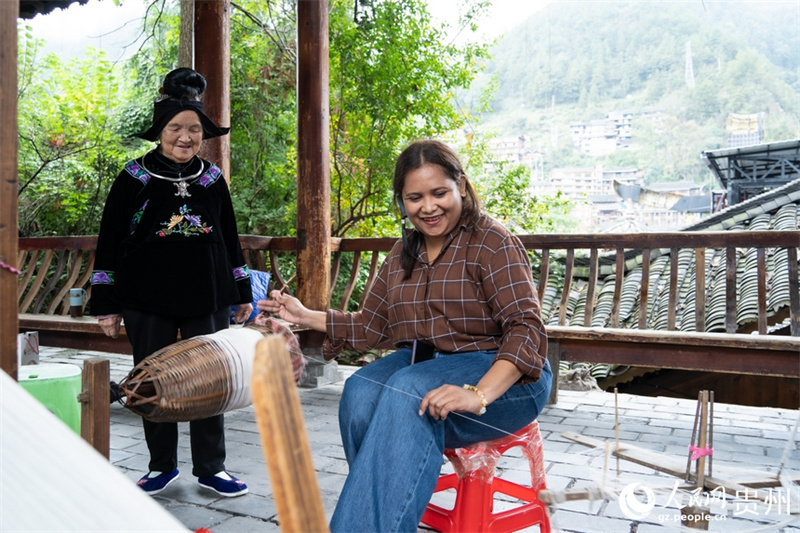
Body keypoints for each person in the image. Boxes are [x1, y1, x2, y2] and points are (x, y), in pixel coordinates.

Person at [257, 139, 552, 532]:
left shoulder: (491, 241)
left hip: (507, 378)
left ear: (460, 186)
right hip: (432, 363)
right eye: (415, 198)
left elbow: (526, 328)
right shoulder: (403, 253)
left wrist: (477, 394)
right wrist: (305, 315)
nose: (428, 207)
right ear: (402, 201)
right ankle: (385, 516)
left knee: (408, 390)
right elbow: (372, 325)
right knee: (361, 391)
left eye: (439, 193)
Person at [91, 67, 253, 498]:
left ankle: (211, 467)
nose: (185, 137)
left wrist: (242, 293)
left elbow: (229, 238)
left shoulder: (212, 178)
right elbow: (109, 241)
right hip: (147, 295)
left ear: (204, 135)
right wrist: (106, 302)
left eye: (194, 130)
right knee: (151, 380)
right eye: (176, 128)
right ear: (160, 130)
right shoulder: (134, 177)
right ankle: (161, 466)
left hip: (209, 294)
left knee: (212, 380)